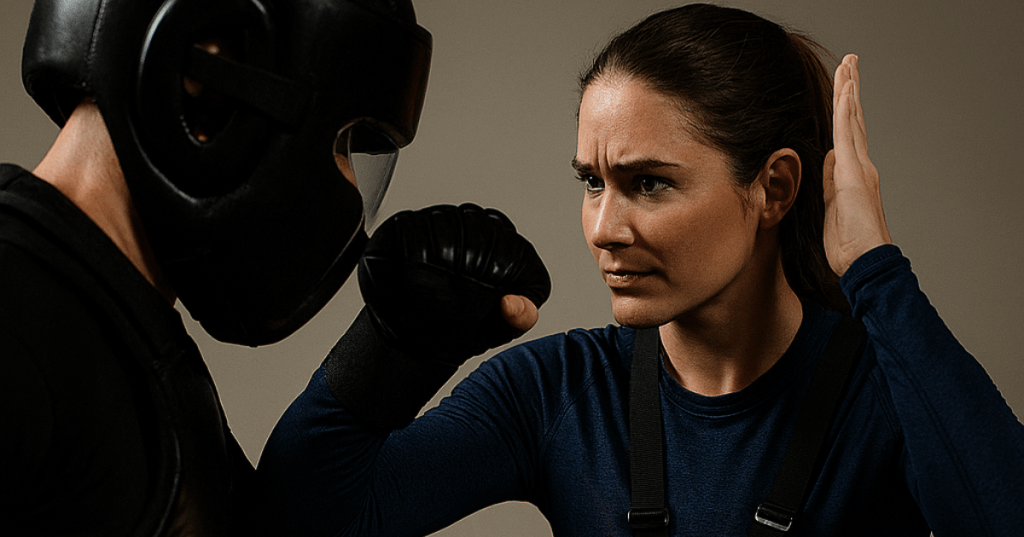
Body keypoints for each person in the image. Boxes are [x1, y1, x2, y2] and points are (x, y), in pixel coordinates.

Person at [256, 3, 1024, 536]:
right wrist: (393, 347)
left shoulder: (890, 391)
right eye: (592, 181)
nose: (603, 228)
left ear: (774, 189)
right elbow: (305, 520)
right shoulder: (560, 392)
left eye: (649, 183)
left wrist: (876, 272)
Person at [0, 0, 472, 534]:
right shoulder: (19, 309)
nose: (350, 189)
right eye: (343, 144)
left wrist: (391, 357)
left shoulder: (114, 326)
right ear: (209, 69)